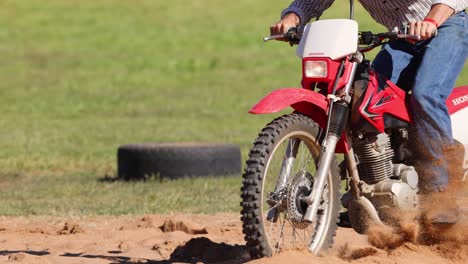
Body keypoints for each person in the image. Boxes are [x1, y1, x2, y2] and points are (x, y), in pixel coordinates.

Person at [270, 1, 468, 223]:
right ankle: (368, 190)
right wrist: (291, 18)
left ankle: (442, 194)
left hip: (447, 26)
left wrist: (432, 20)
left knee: (425, 96)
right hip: (401, 37)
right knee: (364, 97)